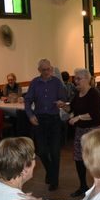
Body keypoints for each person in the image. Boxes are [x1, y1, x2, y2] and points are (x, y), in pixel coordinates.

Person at [24, 59, 67, 191]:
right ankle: (50, 171)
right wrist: (30, 116)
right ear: (39, 71)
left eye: (48, 69)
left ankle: (54, 180)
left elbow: (64, 98)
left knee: (54, 152)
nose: (47, 72)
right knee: (41, 151)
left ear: (51, 69)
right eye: (43, 70)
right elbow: (27, 100)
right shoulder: (34, 83)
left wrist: (61, 102)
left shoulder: (57, 82)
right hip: (39, 119)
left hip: (54, 119)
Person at [61, 68, 100, 198]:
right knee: (78, 159)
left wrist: (78, 117)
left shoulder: (94, 94)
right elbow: (71, 109)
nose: (75, 81)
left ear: (87, 79)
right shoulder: (77, 94)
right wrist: (63, 105)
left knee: (94, 161)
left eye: (78, 79)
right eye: (75, 79)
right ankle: (83, 186)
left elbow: (94, 115)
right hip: (80, 131)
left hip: (92, 131)